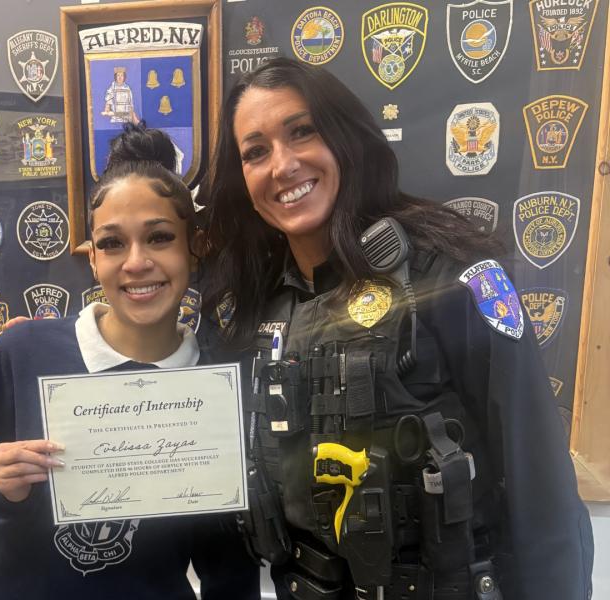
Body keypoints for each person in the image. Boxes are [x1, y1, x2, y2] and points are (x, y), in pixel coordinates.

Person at [197, 57, 593, 600]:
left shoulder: (451, 274)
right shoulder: (252, 308)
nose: (282, 165)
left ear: (344, 138)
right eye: (255, 151)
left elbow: (539, 481)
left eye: (301, 131)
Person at [0, 124, 260, 600]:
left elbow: (228, 563)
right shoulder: (21, 354)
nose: (135, 262)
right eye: (111, 243)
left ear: (196, 248)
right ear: (92, 259)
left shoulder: (214, 388)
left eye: (160, 237)